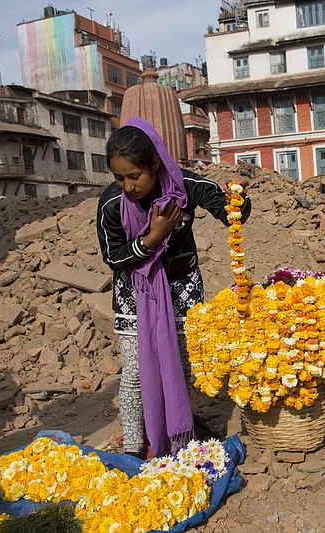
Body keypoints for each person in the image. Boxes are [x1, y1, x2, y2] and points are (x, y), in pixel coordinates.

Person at [96, 117, 251, 458]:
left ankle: (175, 434)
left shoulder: (184, 186)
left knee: (177, 367)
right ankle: (137, 444)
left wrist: (237, 203)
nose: (127, 186)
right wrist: (153, 236)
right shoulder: (111, 204)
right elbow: (115, 258)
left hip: (182, 289)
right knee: (136, 374)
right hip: (136, 292)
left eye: (134, 176)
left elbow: (227, 210)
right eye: (119, 177)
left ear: (154, 164)